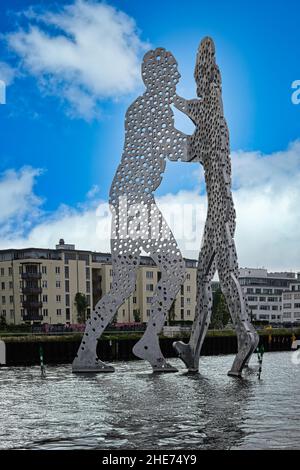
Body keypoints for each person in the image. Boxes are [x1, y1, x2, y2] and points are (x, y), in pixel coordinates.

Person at [73, 48, 189, 373]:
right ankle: (149, 340)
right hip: (136, 201)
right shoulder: (151, 109)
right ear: (158, 78)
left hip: (125, 200)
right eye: (173, 74)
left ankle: (85, 354)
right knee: (176, 268)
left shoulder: (142, 107)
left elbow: (167, 145)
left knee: (123, 285)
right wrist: (206, 143)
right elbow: (172, 146)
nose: (178, 79)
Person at [172, 37, 259, 376]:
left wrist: (167, 99)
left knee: (227, 273)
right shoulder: (219, 123)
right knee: (203, 275)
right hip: (219, 211)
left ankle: (246, 334)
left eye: (201, 81)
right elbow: (191, 149)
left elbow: (184, 141)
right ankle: (194, 349)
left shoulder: (209, 114)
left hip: (220, 210)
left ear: (208, 83)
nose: (199, 87)